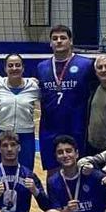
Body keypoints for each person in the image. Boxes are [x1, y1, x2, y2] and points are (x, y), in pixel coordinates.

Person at [37, 25, 95, 171]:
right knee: (52, 171)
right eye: (55, 38)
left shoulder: (86, 64)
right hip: (50, 127)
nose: (59, 41)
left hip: (76, 126)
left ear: (71, 41)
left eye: (63, 38)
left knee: (79, 168)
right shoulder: (41, 67)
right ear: (50, 43)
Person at [0, 53, 40, 172]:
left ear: (23, 68)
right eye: (10, 65)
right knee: (3, 170)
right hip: (2, 133)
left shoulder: (33, 87)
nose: (14, 68)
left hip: (26, 134)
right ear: (5, 68)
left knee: (26, 171)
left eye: (17, 65)